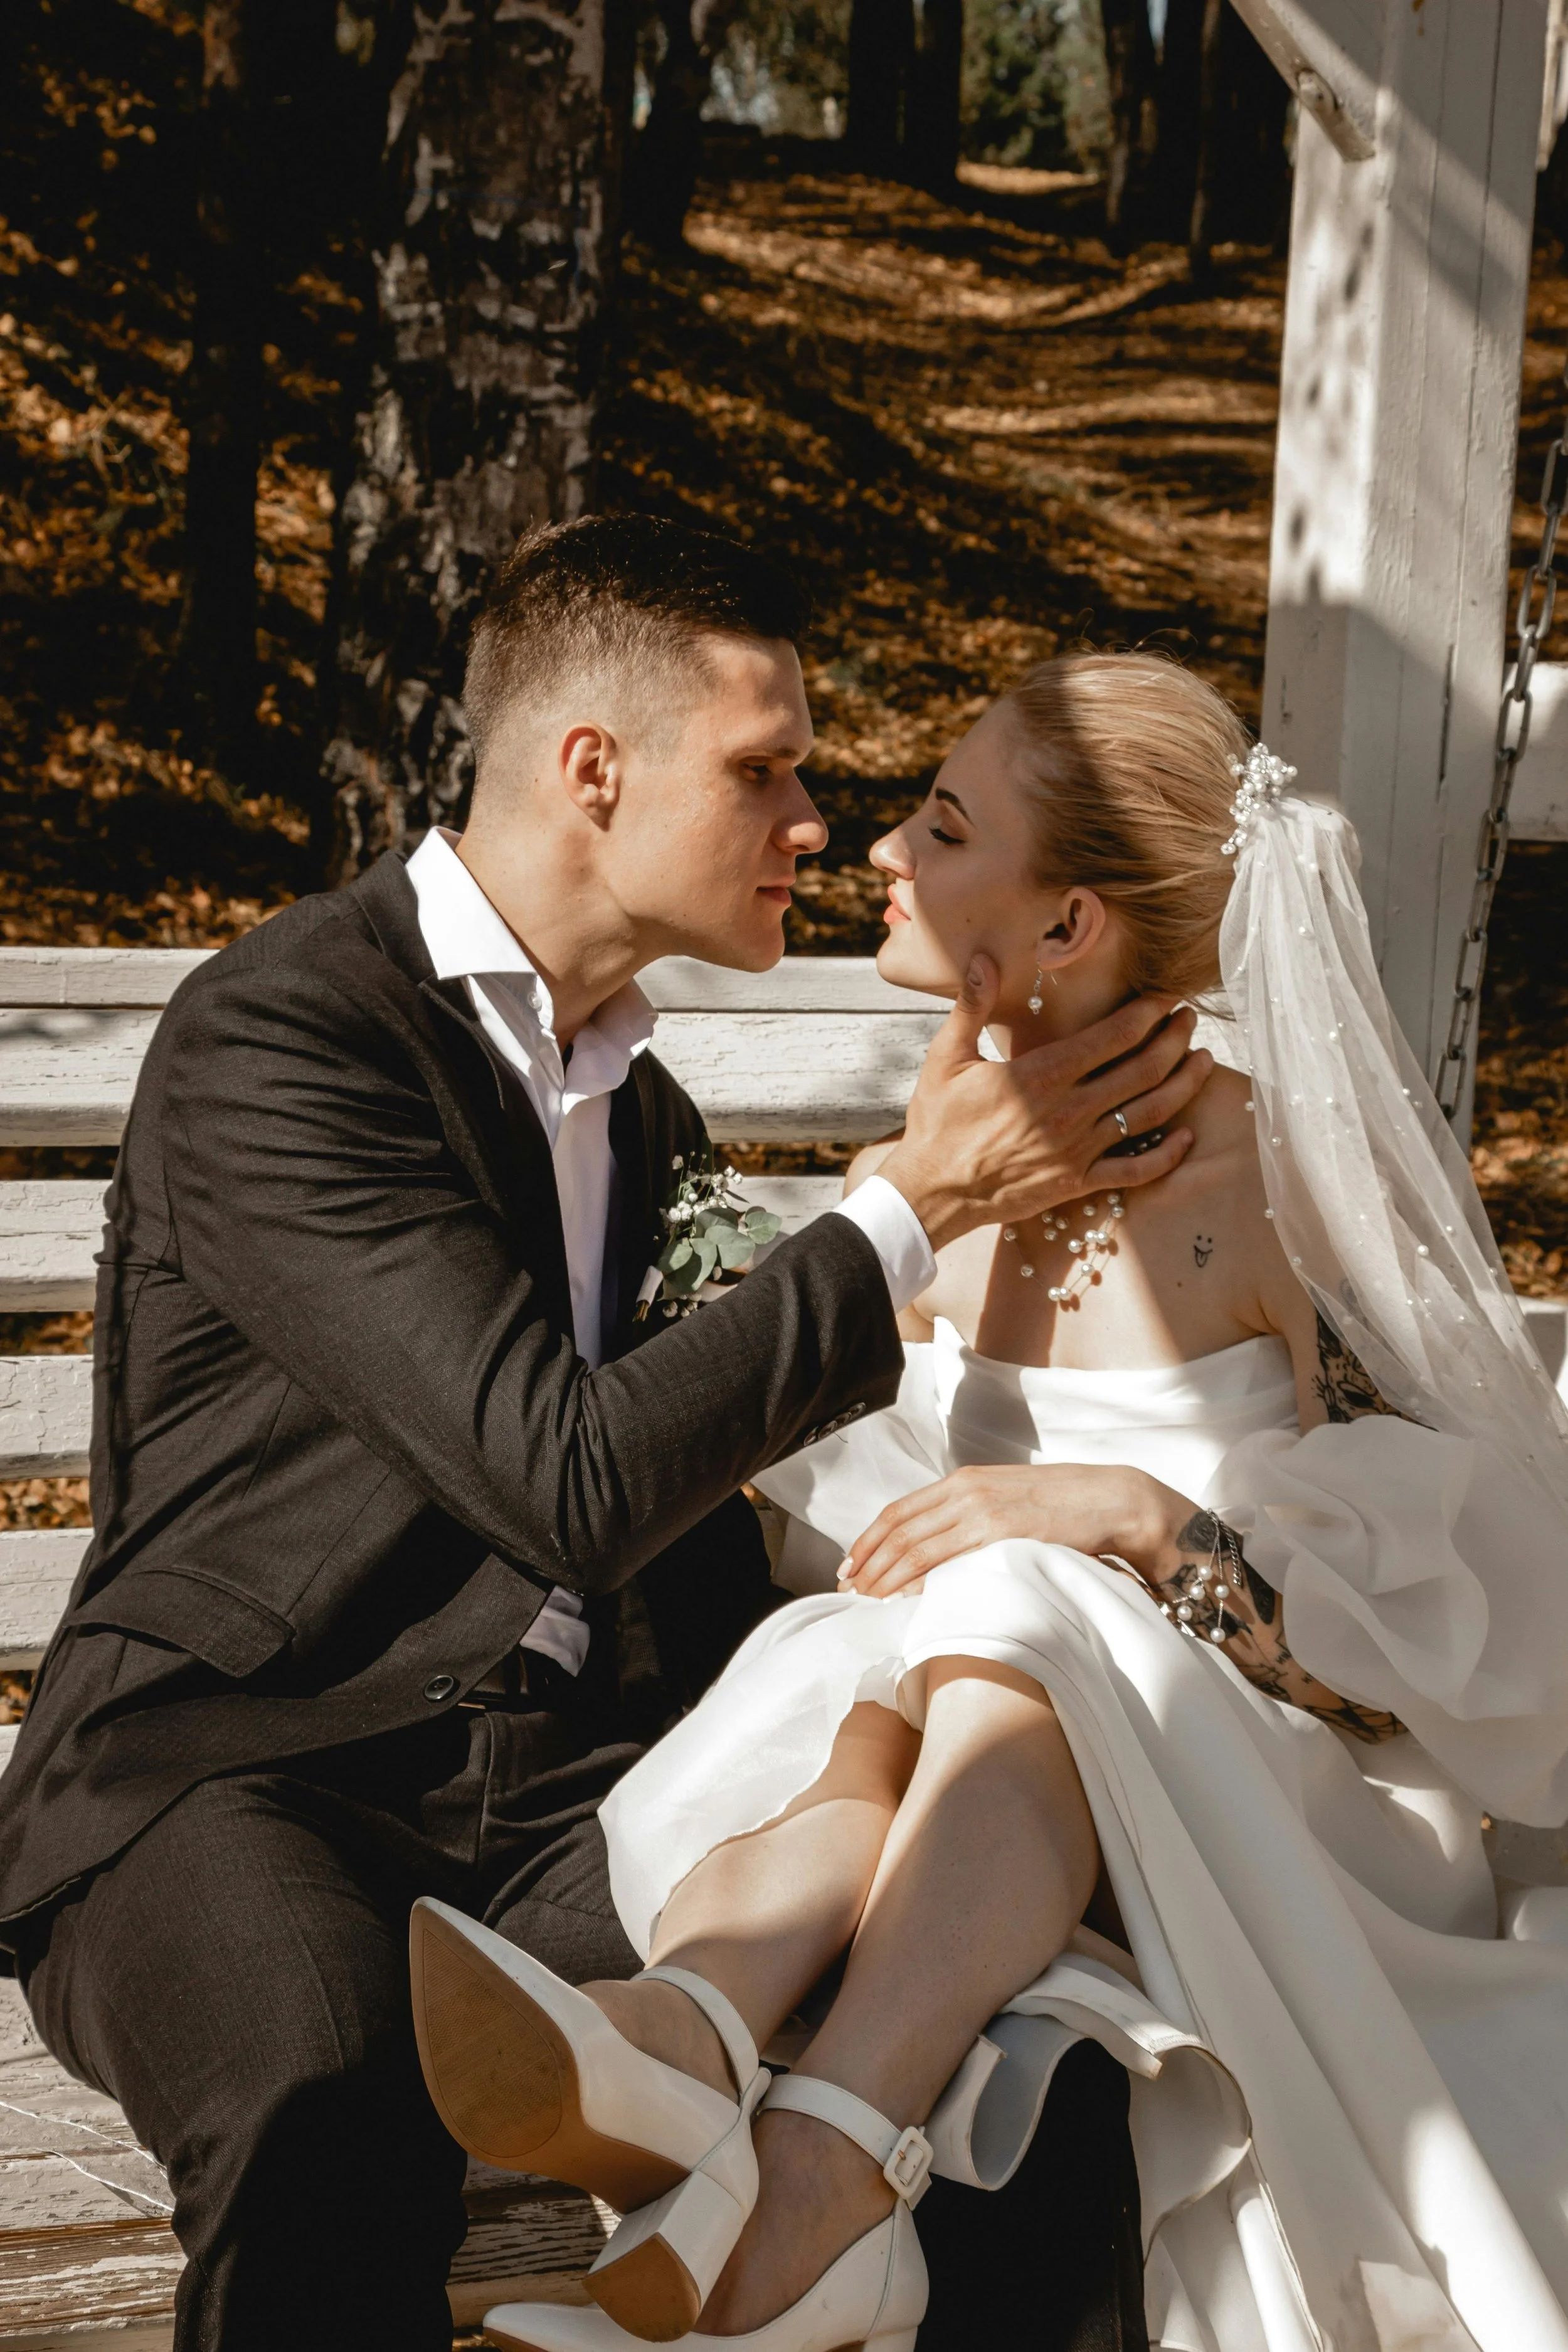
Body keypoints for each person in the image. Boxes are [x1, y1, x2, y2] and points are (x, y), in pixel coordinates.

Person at [0, 524, 1209, 2351]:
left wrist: (1070, 1548)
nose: (816, 817)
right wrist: (907, 1207)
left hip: (573, 1802)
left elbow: (746, 1460)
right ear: (593, 771)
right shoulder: (286, 1034)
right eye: (765, 767)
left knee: (1033, 2068)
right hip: (242, 1769)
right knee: (332, 2091)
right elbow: (557, 1469)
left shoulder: (630, 1103)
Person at [416, 654, 1568, 2352]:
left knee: (1018, 1592)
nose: (879, 843)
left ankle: (769, 2141)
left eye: (944, 823)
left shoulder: (1269, 1184)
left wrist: (1126, 1511)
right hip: (967, 1769)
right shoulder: (944, 1160)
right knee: (943, 1627)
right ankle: (721, 2101)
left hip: (1274, 1800)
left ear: (1066, 926)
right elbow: (859, 1536)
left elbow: (1456, 1655)